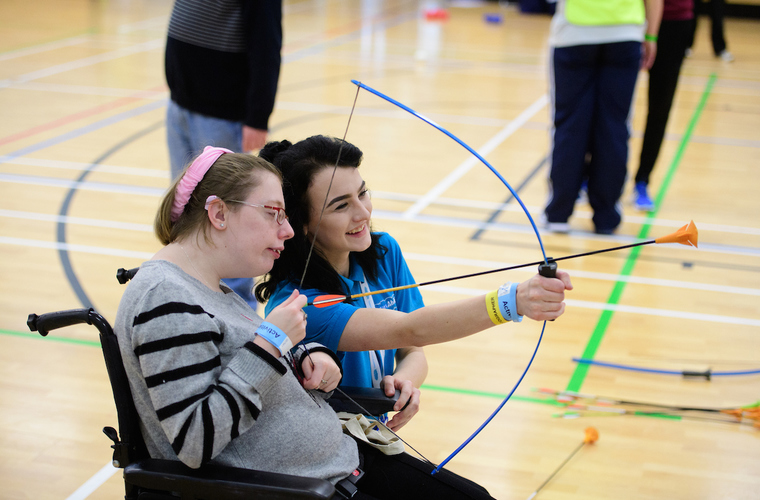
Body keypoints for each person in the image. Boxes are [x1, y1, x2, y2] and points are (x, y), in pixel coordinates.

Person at [114, 146, 503, 499]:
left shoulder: (208, 290)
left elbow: (243, 360)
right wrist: (271, 341)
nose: (286, 231)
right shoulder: (164, 299)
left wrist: (304, 354)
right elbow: (196, 439)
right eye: (273, 214)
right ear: (218, 213)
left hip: (335, 465)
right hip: (296, 489)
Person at [256, 135, 574, 431]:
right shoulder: (300, 303)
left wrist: (405, 381)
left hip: (376, 432)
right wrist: (512, 301)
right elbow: (411, 328)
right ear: (303, 225)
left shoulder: (382, 251)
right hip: (333, 441)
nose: (363, 212)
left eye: (363, 193)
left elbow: (412, 349)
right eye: (341, 205)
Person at [164, 0, 283, 305]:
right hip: (181, 101)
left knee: (229, 218)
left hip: (220, 112)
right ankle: (190, 298)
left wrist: (258, 115)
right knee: (186, 212)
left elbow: (266, 41)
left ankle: (237, 312)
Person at [543, 0, 663, 234]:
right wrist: (651, 37)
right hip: (624, 33)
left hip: (573, 33)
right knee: (614, 127)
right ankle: (606, 216)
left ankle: (559, 212)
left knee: (570, 126)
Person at [633, 0, 694, 211]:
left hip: (675, 22)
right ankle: (592, 177)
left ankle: (643, 180)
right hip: (631, 19)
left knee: (660, 108)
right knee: (612, 107)